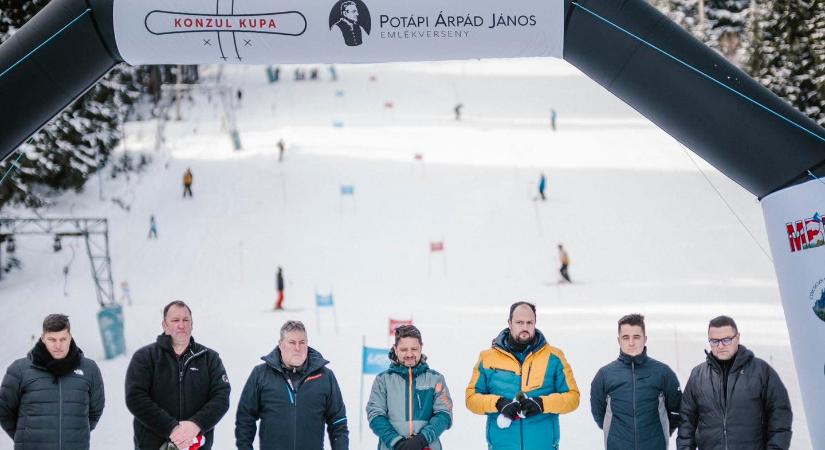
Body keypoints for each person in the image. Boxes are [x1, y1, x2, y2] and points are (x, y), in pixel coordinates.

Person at [466, 302, 580, 450]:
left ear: (535, 323)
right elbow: (471, 399)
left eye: (529, 322)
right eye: (519, 322)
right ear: (509, 323)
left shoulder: (554, 357)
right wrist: (498, 403)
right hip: (502, 446)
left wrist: (542, 403)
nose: (525, 327)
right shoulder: (487, 358)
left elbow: (573, 398)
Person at [125, 301, 231, 450]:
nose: (181, 325)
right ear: (165, 326)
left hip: (196, 445)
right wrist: (173, 429)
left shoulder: (210, 358)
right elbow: (136, 398)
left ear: (192, 324)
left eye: (186, 320)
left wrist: (195, 425)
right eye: (175, 320)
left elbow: (221, 397)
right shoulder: (145, 357)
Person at [677, 315, 792, 450]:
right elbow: (686, 422)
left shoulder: (761, 371)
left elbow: (780, 417)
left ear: (737, 338)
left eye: (726, 340)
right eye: (714, 341)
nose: (720, 346)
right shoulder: (698, 375)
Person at [235, 320, 348, 450]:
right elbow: (245, 419)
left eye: (302, 342)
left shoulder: (325, 377)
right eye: (292, 342)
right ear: (280, 344)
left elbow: (338, 422)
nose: (297, 348)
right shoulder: (261, 374)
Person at [0, 314, 104, 449]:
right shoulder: (20, 370)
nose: (58, 345)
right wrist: (25, 437)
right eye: (52, 339)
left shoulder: (89, 369)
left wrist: (73, 435)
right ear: (43, 338)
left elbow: (95, 411)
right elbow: (4, 411)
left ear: (70, 337)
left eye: (63, 339)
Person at [590, 314, 682, 449]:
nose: (631, 343)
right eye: (625, 337)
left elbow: (676, 410)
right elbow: (599, 413)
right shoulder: (605, 375)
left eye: (636, 337)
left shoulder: (663, 373)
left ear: (645, 339)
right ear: (618, 340)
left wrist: (663, 432)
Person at [367, 325, 453, 450]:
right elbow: (375, 415)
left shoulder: (436, 379)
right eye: (403, 349)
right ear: (395, 349)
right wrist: (397, 442)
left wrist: (422, 439)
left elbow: (444, 414)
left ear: (421, 348)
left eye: (414, 349)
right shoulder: (383, 380)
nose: (409, 354)